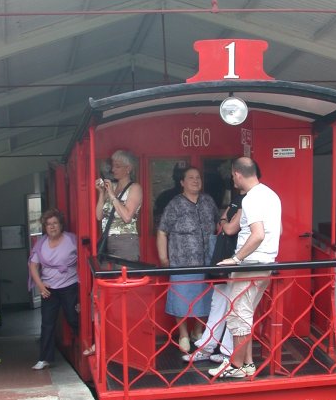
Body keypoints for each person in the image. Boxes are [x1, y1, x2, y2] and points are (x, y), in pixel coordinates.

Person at [208, 157, 281, 380]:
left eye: (232, 175)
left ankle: (236, 366)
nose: (233, 179)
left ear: (237, 174)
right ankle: (247, 364)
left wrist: (236, 258)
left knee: (237, 314)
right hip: (266, 263)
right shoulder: (270, 195)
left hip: (250, 264)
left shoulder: (251, 200)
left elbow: (257, 234)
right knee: (245, 314)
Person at [84, 149, 143, 356]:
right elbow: (99, 216)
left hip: (126, 243)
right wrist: (102, 194)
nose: (112, 169)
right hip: (108, 244)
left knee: (124, 293)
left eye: (117, 165)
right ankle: (102, 342)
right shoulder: (113, 188)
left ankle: (127, 343)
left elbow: (127, 217)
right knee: (101, 293)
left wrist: (112, 195)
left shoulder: (134, 188)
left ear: (128, 168)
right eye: (112, 165)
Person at [156, 166, 220, 353]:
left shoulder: (208, 201)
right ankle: (183, 334)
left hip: (206, 260)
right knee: (181, 299)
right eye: (191, 178)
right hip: (181, 261)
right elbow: (162, 230)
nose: (195, 181)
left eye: (198, 177)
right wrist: (163, 258)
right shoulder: (175, 204)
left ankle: (197, 330)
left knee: (204, 298)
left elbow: (218, 223)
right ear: (182, 182)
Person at [181, 191, 243, 363]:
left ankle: (228, 353)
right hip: (224, 257)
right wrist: (224, 221)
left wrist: (224, 221)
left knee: (235, 308)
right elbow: (223, 222)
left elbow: (229, 227)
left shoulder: (252, 200)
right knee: (218, 303)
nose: (232, 178)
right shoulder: (238, 200)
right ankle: (207, 347)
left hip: (238, 259)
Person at [28, 209, 79, 370]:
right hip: (49, 289)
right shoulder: (41, 243)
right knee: (47, 324)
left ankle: (85, 344)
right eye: (48, 224)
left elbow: (85, 257)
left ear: (61, 225)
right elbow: (33, 265)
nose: (52, 227)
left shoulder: (72, 240)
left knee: (73, 317)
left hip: (70, 285)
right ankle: (44, 358)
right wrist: (41, 286)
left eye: (55, 223)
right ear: (45, 227)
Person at [153, 163, 188, 229]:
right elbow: (157, 220)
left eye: (183, 176)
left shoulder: (202, 200)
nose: (180, 178)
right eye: (178, 175)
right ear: (173, 177)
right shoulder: (164, 197)